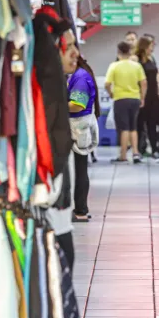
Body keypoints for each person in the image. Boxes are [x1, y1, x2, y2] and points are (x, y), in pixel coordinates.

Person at [67, 55, 99, 222]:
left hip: (77, 127)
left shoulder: (79, 77)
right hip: (78, 127)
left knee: (78, 170)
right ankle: (80, 209)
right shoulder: (79, 75)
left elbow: (77, 104)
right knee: (79, 169)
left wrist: (54, 106)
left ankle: (80, 210)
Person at [105, 42, 147, 163]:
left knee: (124, 128)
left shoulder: (114, 66)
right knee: (133, 127)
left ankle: (123, 155)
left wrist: (111, 93)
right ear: (129, 52)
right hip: (134, 98)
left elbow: (107, 84)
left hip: (120, 99)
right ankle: (135, 153)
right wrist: (142, 97)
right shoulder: (136, 66)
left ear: (118, 52)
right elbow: (143, 83)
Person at [136, 36, 159, 162]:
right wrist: (141, 96)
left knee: (153, 123)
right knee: (140, 124)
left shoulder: (152, 58)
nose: (152, 48)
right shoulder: (137, 60)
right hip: (142, 95)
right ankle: (139, 150)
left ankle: (154, 149)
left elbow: (155, 75)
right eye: (151, 45)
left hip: (153, 95)